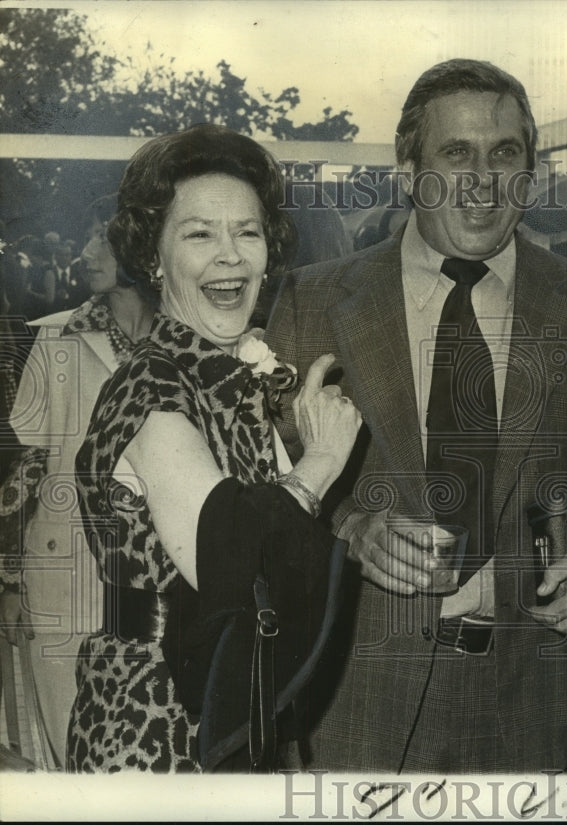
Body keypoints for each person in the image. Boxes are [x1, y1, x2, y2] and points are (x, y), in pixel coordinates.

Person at [266, 58, 567, 773]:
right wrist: (353, 529)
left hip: (543, 713)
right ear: (408, 169)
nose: (484, 183)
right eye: (456, 154)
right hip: (358, 706)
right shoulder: (314, 300)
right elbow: (268, 485)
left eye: (505, 154)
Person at [68, 123, 363, 772]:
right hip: (161, 720)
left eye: (247, 232)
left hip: (233, 700)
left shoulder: (230, 376)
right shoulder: (152, 386)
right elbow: (231, 565)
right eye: (200, 233)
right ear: (153, 258)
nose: (230, 256)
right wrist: (320, 460)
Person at [1, 195, 157, 768]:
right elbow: (27, 470)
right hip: (61, 578)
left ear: (142, 250)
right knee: (68, 746)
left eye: (101, 239)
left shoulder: (193, 340)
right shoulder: (57, 338)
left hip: (156, 588)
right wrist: (11, 581)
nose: (86, 253)